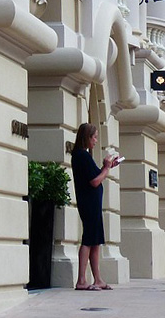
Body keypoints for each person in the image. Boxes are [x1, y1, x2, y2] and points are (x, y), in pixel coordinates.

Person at [71, 123, 119, 291]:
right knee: (89, 239)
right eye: (94, 137)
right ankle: (82, 280)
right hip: (89, 203)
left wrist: (106, 168)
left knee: (95, 240)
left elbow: (94, 176)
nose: (96, 141)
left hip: (91, 202)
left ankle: (97, 278)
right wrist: (106, 168)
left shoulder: (81, 155)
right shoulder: (82, 156)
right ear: (87, 137)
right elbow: (95, 181)